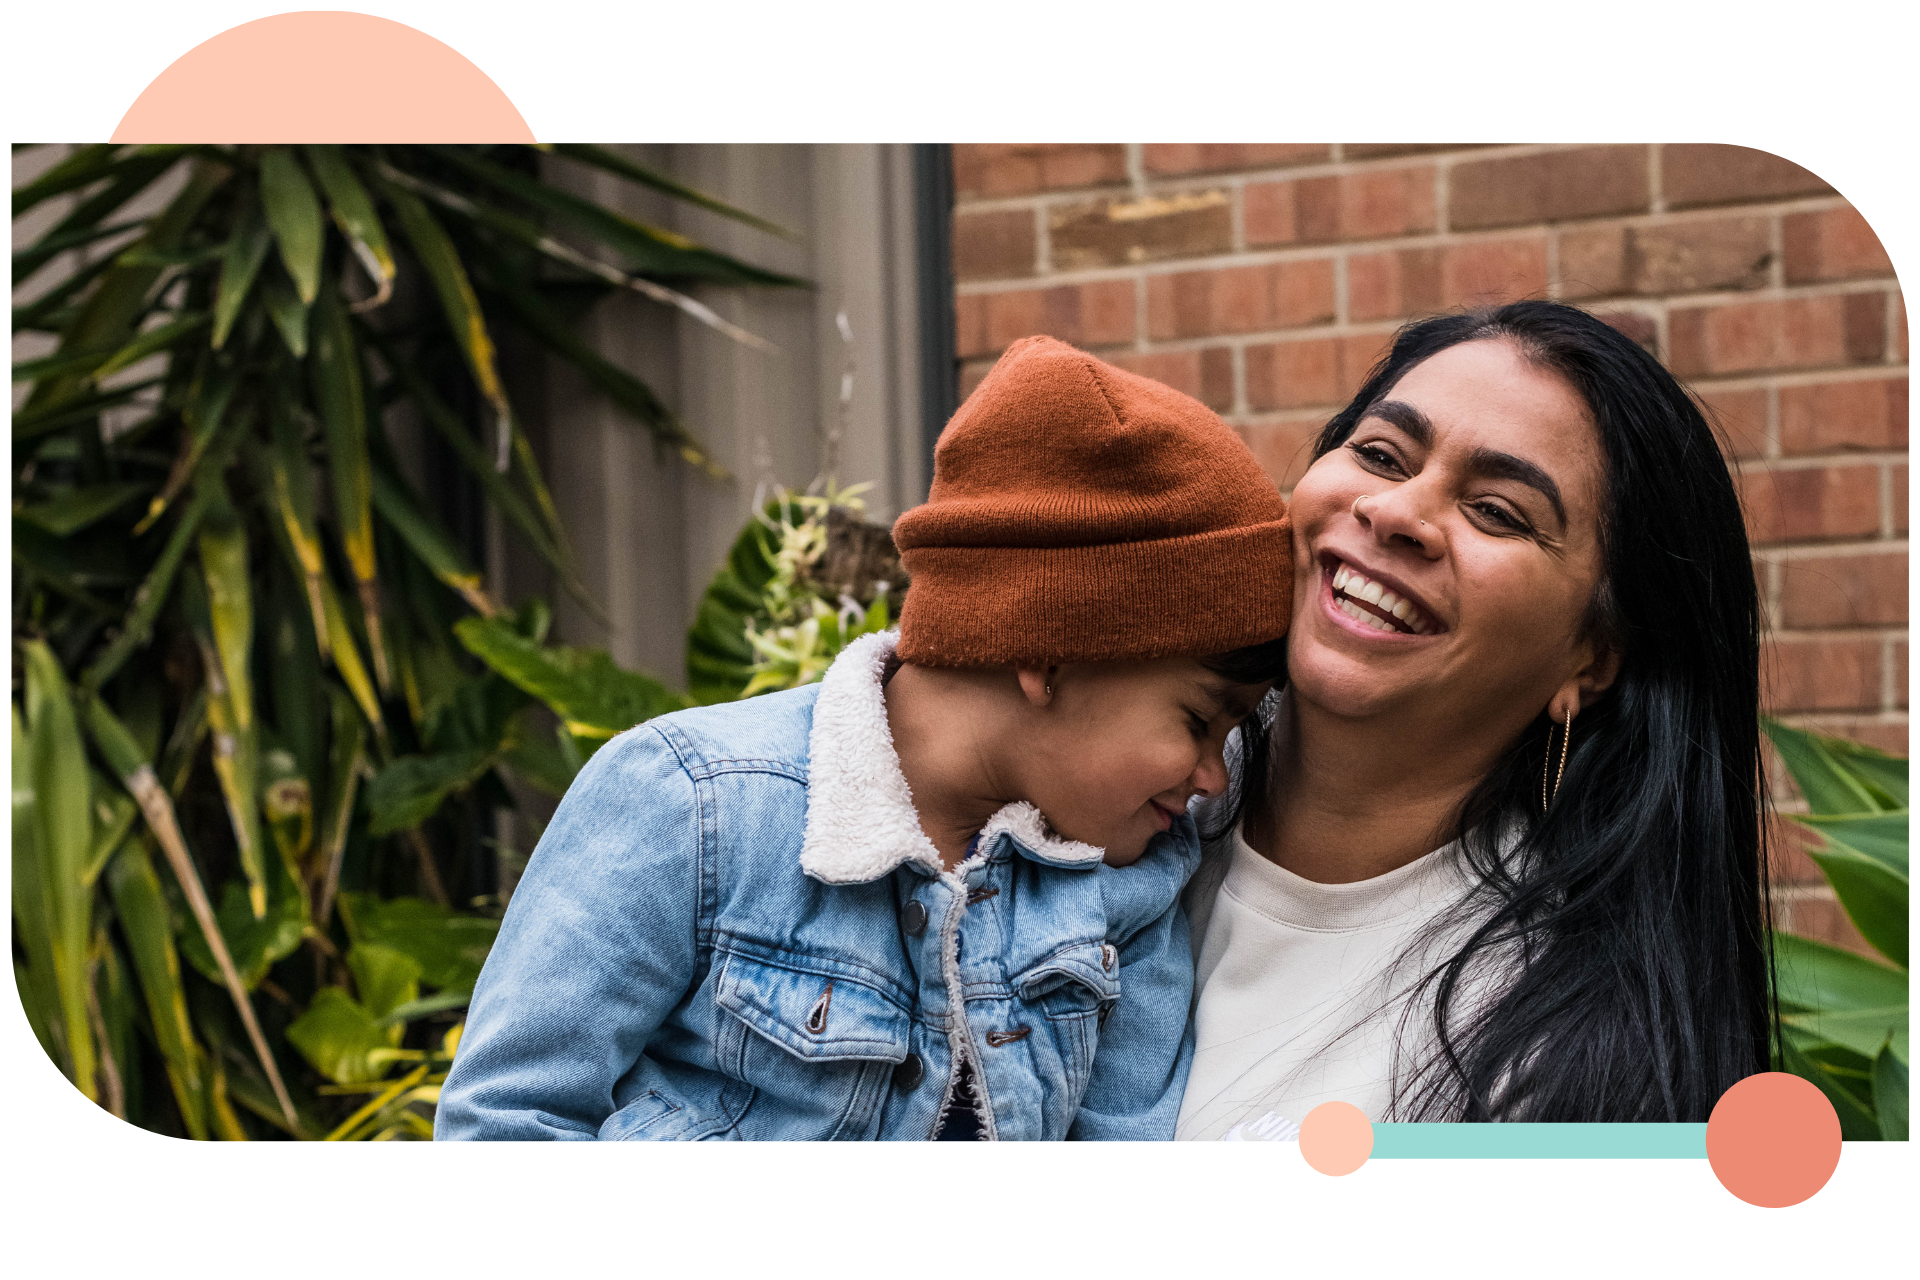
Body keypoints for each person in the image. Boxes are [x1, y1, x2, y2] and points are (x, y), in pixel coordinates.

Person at [437, 336, 1292, 1141]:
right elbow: (508, 1125)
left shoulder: (1125, 890)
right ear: (1048, 650)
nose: (1214, 777)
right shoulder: (694, 806)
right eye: (1198, 721)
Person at [1177, 301, 1773, 1138]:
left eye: (1497, 510)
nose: (1396, 514)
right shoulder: (1089, 787)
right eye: (1382, 455)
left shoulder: (1568, 1075)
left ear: (1591, 660)